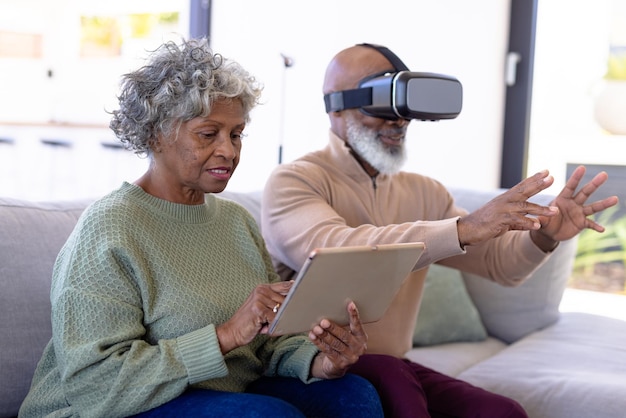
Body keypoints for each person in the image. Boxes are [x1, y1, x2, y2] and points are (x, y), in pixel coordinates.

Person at [18, 38, 384, 418]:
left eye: (236, 134)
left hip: (218, 397)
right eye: (209, 134)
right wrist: (225, 336)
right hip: (109, 407)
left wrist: (322, 361)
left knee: (353, 396)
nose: (229, 150)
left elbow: (264, 347)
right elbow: (97, 384)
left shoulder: (236, 220)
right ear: (155, 134)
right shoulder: (110, 228)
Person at [260, 43, 619, 417]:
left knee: (501, 412)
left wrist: (544, 234)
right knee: (397, 384)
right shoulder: (295, 181)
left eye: (404, 108)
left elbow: (501, 265)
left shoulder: (424, 192)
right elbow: (334, 251)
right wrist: (464, 228)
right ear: (336, 106)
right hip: (310, 366)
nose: (398, 121)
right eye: (382, 104)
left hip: (393, 365)